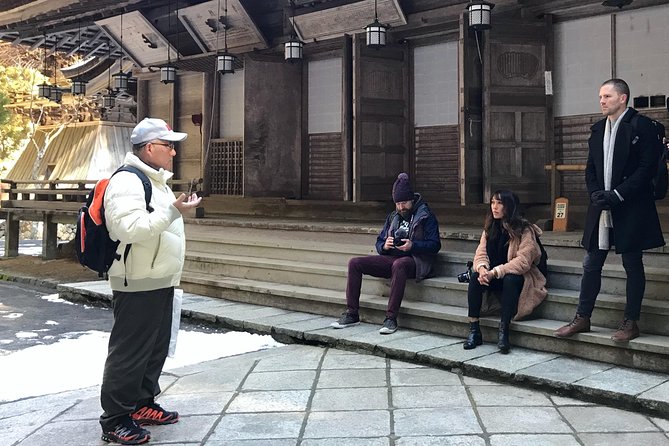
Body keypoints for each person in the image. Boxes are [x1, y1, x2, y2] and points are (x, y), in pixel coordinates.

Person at [99, 117, 202, 445]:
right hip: (137, 278)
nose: (173, 152)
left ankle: (142, 403)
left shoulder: (155, 180)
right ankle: (115, 418)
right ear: (149, 147)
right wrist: (173, 211)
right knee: (130, 351)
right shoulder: (127, 181)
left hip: (158, 276)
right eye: (168, 145)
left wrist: (174, 208)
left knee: (153, 348)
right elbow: (128, 229)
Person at [554, 79, 665, 342]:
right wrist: (595, 194)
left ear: (623, 98)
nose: (601, 101)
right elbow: (590, 167)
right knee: (591, 262)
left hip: (631, 205)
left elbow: (646, 169)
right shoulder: (597, 129)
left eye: (607, 96)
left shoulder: (642, 127)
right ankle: (582, 317)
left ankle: (631, 321)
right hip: (602, 206)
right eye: (600, 97)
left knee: (632, 264)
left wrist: (618, 194)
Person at [330, 172, 441, 334]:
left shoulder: (426, 216)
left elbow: (435, 245)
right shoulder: (393, 216)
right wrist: (385, 246)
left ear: (412, 200)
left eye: (404, 203)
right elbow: (379, 242)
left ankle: (391, 318)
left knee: (400, 264)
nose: (401, 207)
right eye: (398, 204)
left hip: (416, 260)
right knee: (355, 263)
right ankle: (352, 313)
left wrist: (413, 246)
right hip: (392, 258)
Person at [463, 190, 547, 353]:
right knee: (474, 278)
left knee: (510, 279)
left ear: (509, 206)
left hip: (520, 276)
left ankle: (504, 330)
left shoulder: (525, 229)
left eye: (499, 203)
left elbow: (523, 262)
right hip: (493, 273)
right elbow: (481, 253)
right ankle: (474, 329)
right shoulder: (489, 227)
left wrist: (495, 272)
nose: (495, 207)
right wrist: (481, 269)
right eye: (493, 203)